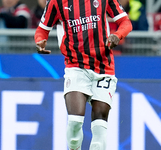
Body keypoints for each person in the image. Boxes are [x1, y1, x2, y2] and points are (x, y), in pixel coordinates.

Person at [34, 0, 132, 149]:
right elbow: (42, 29)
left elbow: (126, 22)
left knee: (99, 131)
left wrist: (117, 35)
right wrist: (40, 40)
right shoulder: (56, 2)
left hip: (103, 68)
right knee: (74, 123)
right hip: (76, 66)